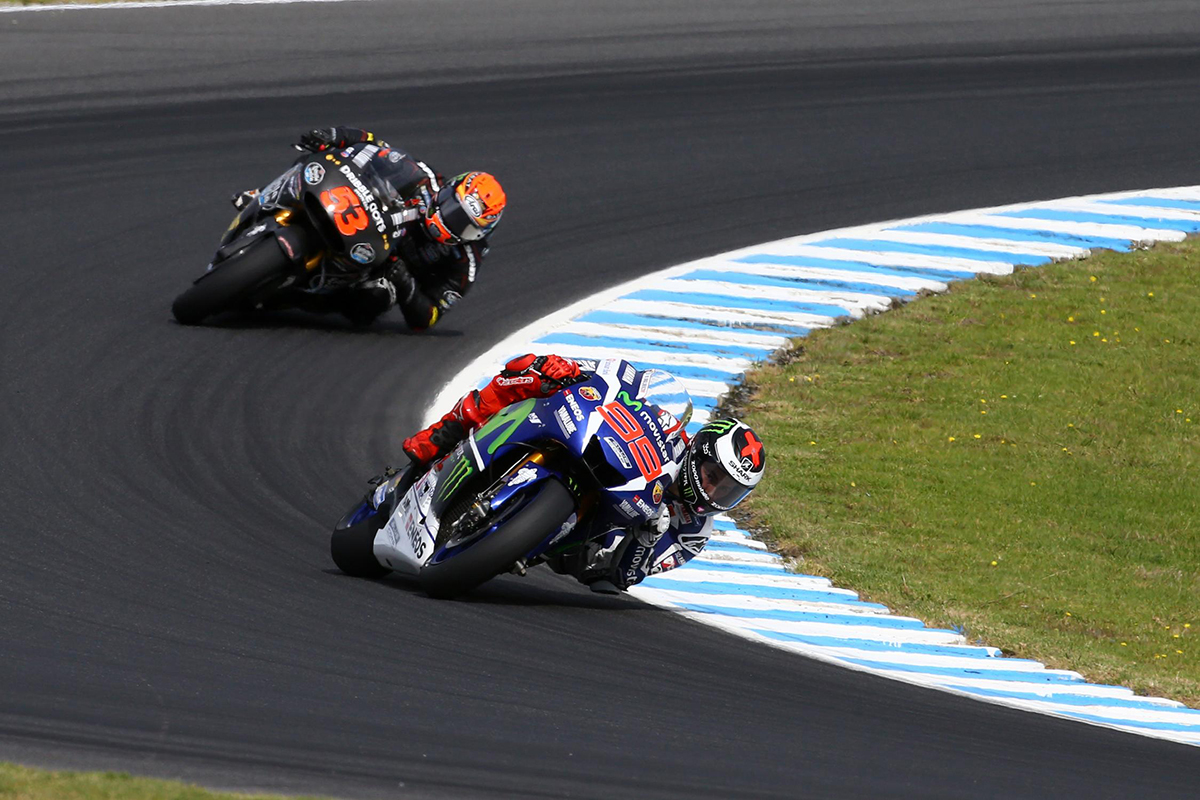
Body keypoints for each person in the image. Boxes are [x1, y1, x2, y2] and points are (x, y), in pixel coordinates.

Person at [401, 354, 767, 593]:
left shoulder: (694, 533)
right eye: (713, 475)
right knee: (530, 370)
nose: (713, 490)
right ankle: (445, 434)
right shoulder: (671, 430)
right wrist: (574, 370)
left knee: (597, 568)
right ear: (698, 452)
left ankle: (508, 539)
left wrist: (643, 539)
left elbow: (622, 577)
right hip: (592, 451)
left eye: (728, 491)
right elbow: (623, 379)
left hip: (586, 543)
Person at [237, 126, 505, 328]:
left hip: (377, 270)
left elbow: (429, 317)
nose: (450, 223)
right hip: (357, 217)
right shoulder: (422, 177)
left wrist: (405, 282)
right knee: (320, 161)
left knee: (376, 297)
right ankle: (265, 194)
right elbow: (373, 146)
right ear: (447, 190)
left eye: (465, 226)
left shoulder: (466, 261)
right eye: (452, 209)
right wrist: (334, 136)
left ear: (481, 233)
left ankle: (297, 299)